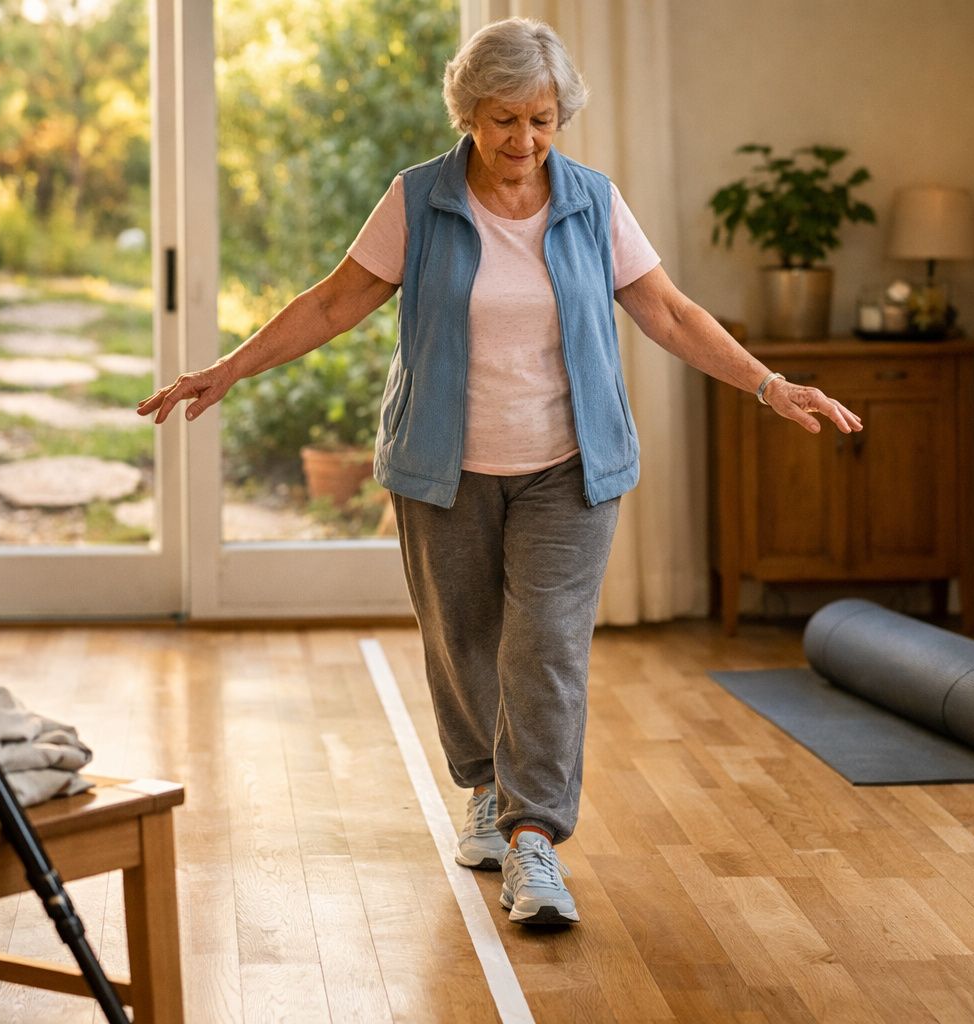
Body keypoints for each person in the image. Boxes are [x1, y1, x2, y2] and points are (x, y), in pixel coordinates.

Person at [138, 17, 862, 927]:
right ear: (469, 114)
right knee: (465, 642)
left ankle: (533, 838)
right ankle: (485, 787)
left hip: (570, 464)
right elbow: (334, 302)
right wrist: (228, 369)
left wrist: (768, 384)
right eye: (504, 120)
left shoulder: (592, 203)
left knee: (546, 648)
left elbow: (669, 313)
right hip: (445, 465)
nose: (524, 141)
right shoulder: (419, 199)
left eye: (542, 120)